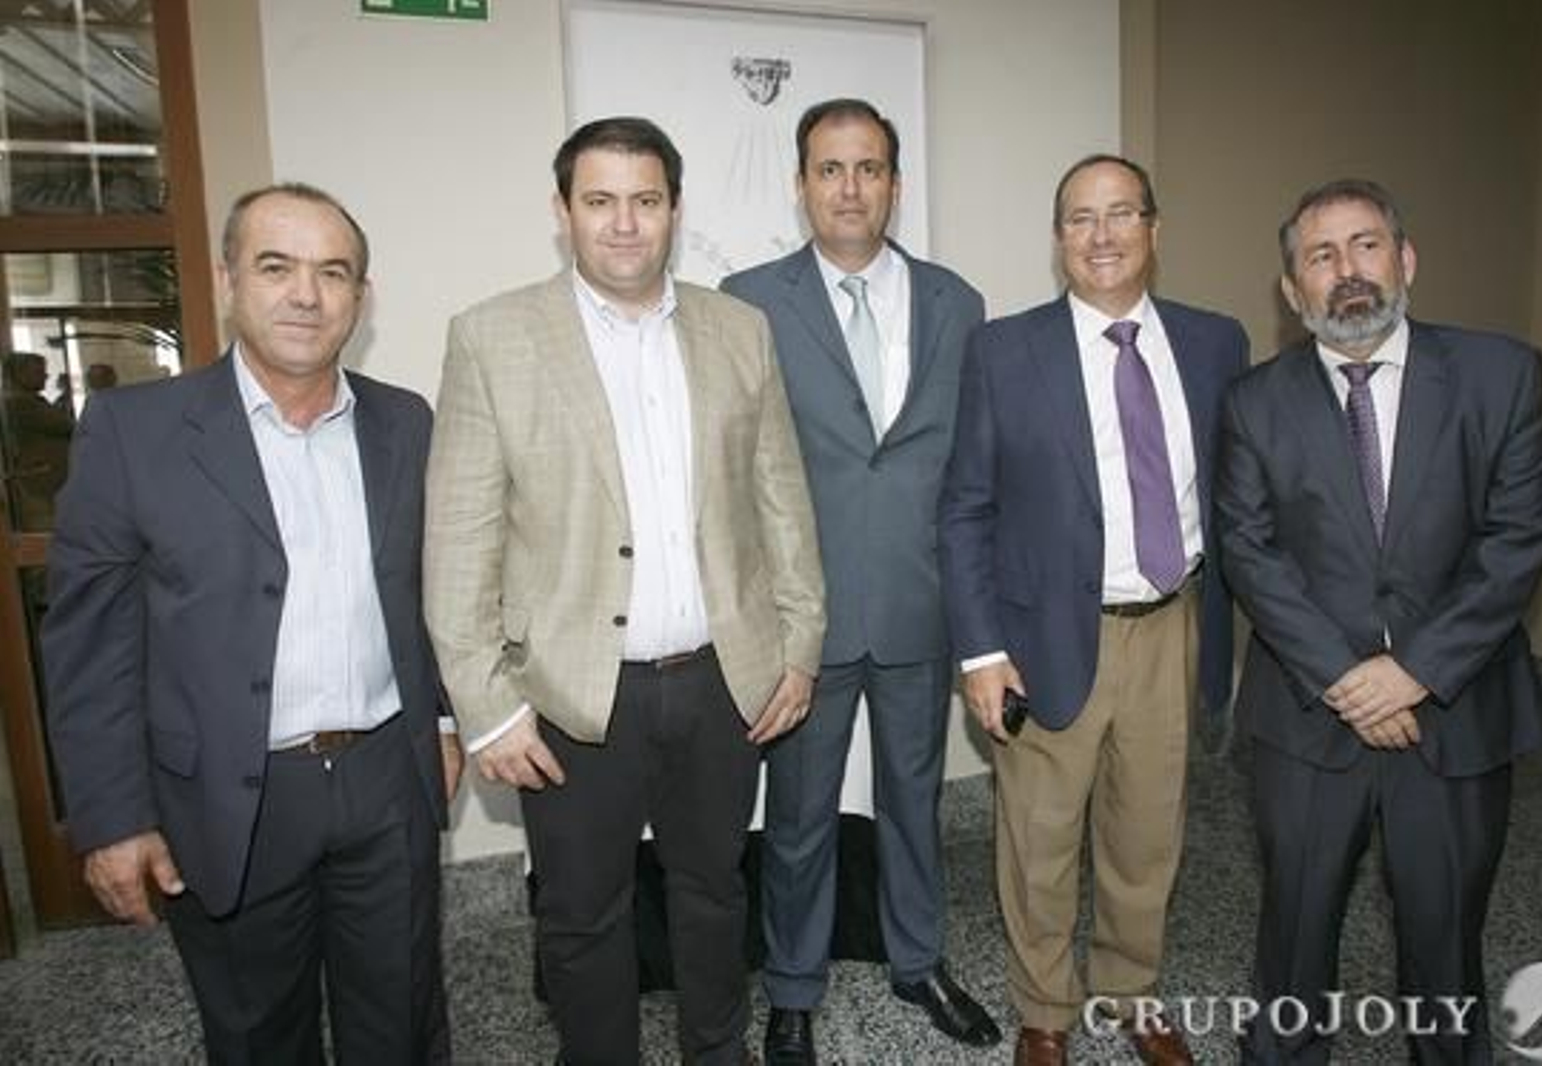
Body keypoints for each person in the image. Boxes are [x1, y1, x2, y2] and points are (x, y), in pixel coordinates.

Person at [423, 116, 826, 1066]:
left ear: (675, 211)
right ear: (563, 214)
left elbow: (785, 503)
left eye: (646, 201)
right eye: (599, 201)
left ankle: (716, 1052)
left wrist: (799, 647)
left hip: (723, 683)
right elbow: (457, 545)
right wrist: (485, 711)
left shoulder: (740, 331)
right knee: (582, 912)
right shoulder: (492, 337)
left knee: (715, 890)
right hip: (564, 697)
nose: (624, 224)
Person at [41, 182, 462, 1063]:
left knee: (402, 1022)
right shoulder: (134, 431)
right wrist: (113, 817)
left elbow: (430, 592)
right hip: (231, 800)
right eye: (277, 267)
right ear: (230, 278)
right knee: (258, 1035)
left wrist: (445, 721)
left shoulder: (404, 423)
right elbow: (92, 647)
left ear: (361, 297)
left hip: (387, 781)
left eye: (332, 272)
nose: (306, 294)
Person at [1217, 178, 1542, 1064]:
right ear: (1293, 291)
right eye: (1320, 256)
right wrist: (1346, 679)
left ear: (1405, 259)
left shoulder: (1502, 374)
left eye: (1365, 245)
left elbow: (1518, 536)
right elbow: (1250, 553)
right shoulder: (1253, 403)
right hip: (1305, 717)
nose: (1347, 272)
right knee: (1291, 947)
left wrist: (1412, 670)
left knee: (1446, 947)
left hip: (1455, 713)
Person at [938, 154, 1247, 1066]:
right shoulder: (1003, 351)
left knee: (1147, 835)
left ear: (1155, 228)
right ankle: (1045, 1011)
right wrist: (980, 650)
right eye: (1080, 219)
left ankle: (1130, 992)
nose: (1102, 236)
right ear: (1058, 239)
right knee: (1039, 845)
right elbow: (964, 509)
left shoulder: (1216, 342)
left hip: (1174, 625)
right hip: (1042, 638)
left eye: (1121, 215)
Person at [720, 97, 999, 1063]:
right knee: (797, 819)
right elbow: (731, 469)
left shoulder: (956, 302)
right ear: (801, 184)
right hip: (807, 618)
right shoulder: (746, 299)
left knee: (915, 803)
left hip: (922, 608)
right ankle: (792, 989)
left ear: (895, 183)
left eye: (869, 168)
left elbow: (971, 468)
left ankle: (918, 961)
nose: (850, 187)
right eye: (830, 169)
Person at [1, 350, 74, 529]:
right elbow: (69, 426)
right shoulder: (20, 404)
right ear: (19, 374)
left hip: (46, 484)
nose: (46, 375)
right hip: (38, 487)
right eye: (39, 371)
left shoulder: (28, 401)